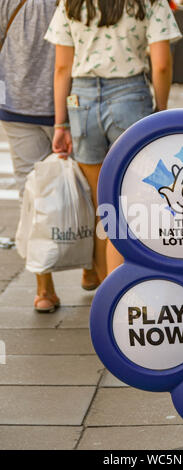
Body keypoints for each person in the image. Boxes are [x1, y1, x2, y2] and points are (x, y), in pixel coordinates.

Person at [45, 0, 181, 283]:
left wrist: (61, 124)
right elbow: (163, 65)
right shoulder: (150, 2)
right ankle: (124, 286)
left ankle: (103, 284)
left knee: (101, 206)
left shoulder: (71, 3)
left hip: (81, 101)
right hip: (131, 96)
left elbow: (61, 68)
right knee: (130, 202)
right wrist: (161, 111)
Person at [0, 0, 100, 313]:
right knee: (90, 188)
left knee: (31, 193)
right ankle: (91, 266)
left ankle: (44, 290)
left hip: (17, 102)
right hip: (74, 101)